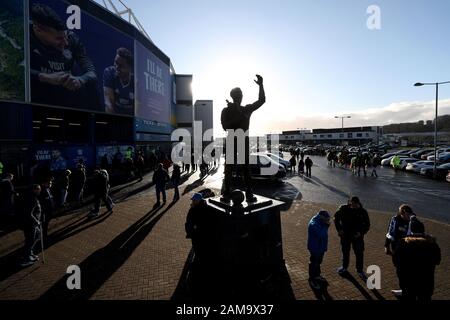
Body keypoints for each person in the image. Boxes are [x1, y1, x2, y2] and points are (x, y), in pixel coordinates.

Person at [29, 3, 97, 108]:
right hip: (35, 102)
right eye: (58, 39)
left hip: (68, 103)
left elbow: (92, 73)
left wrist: (80, 80)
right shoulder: (24, 34)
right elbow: (15, 71)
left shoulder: (72, 39)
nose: (65, 43)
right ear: (38, 29)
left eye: (64, 36)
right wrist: (45, 77)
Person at [221, 75, 265, 203]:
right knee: (228, 168)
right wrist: (241, 116)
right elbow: (225, 126)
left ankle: (249, 192)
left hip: (243, 140)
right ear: (233, 97)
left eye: (241, 94)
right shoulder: (226, 110)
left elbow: (261, 100)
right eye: (238, 95)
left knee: (246, 168)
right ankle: (227, 191)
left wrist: (261, 85)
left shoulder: (246, 109)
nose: (240, 96)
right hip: (231, 139)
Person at [393, 216, 441, 300]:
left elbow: (396, 261)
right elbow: (437, 260)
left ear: (411, 230)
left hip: (408, 282)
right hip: (426, 282)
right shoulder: (432, 244)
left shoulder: (403, 243)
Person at [334, 196, 371, 279]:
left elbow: (367, 225)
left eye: (355, 205)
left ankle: (360, 270)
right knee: (345, 251)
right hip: (345, 235)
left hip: (357, 237)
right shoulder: (343, 208)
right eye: (351, 204)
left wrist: (361, 233)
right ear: (349, 202)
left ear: (358, 203)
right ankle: (344, 267)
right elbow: (336, 218)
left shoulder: (362, 212)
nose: (353, 206)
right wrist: (339, 229)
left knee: (359, 253)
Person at [384, 204, 416, 297]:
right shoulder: (394, 219)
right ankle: (405, 289)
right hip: (396, 249)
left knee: (404, 271)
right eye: (404, 214)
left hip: (407, 251)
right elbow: (389, 233)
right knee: (399, 269)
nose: (407, 217)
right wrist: (386, 246)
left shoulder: (413, 222)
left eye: (408, 214)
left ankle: (405, 291)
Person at [185, 193, 217, 266]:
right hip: (196, 233)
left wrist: (193, 229)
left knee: (198, 248)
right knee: (197, 247)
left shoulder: (198, 209)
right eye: (193, 200)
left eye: (194, 200)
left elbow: (196, 221)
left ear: (198, 200)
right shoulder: (198, 207)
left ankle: (198, 262)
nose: (192, 201)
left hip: (197, 234)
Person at [103, 47, 134, 115]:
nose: (117, 67)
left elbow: (138, 110)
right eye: (115, 63)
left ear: (129, 68)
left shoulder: (136, 81)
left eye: (121, 66)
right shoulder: (109, 72)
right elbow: (108, 104)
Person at [19, 184, 42, 267]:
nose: (40, 191)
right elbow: (28, 213)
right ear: (34, 190)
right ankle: (25, 259)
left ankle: (30, 253)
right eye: (39, 189)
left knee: (37, 236)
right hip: (30, 224)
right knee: (30, 240)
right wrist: (36, 221)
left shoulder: (31, 197)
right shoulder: (31, 199)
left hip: (31, 223)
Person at [307, 210, 331, 290]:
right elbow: (321, 235)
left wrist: (325, 224)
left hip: (320, 247)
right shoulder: (314, 224)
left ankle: (317, 275)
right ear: (321, 217)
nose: (328, 221)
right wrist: (326, 226)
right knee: (314, 263)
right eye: (326, 219)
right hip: (315, 248)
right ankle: (312, 279)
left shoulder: (320, 221)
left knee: (318, 262)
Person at [39, 178, 54, 243]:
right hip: (44, 212)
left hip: (49, 211)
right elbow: (41, 202)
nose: (51, 184)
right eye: (49, 183)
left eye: (51, 183)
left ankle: (44, 235)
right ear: (44, 183)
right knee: (44, 225)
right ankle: (43, 237)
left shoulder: (48, 189)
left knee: (46, 224)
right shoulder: (41, 191)